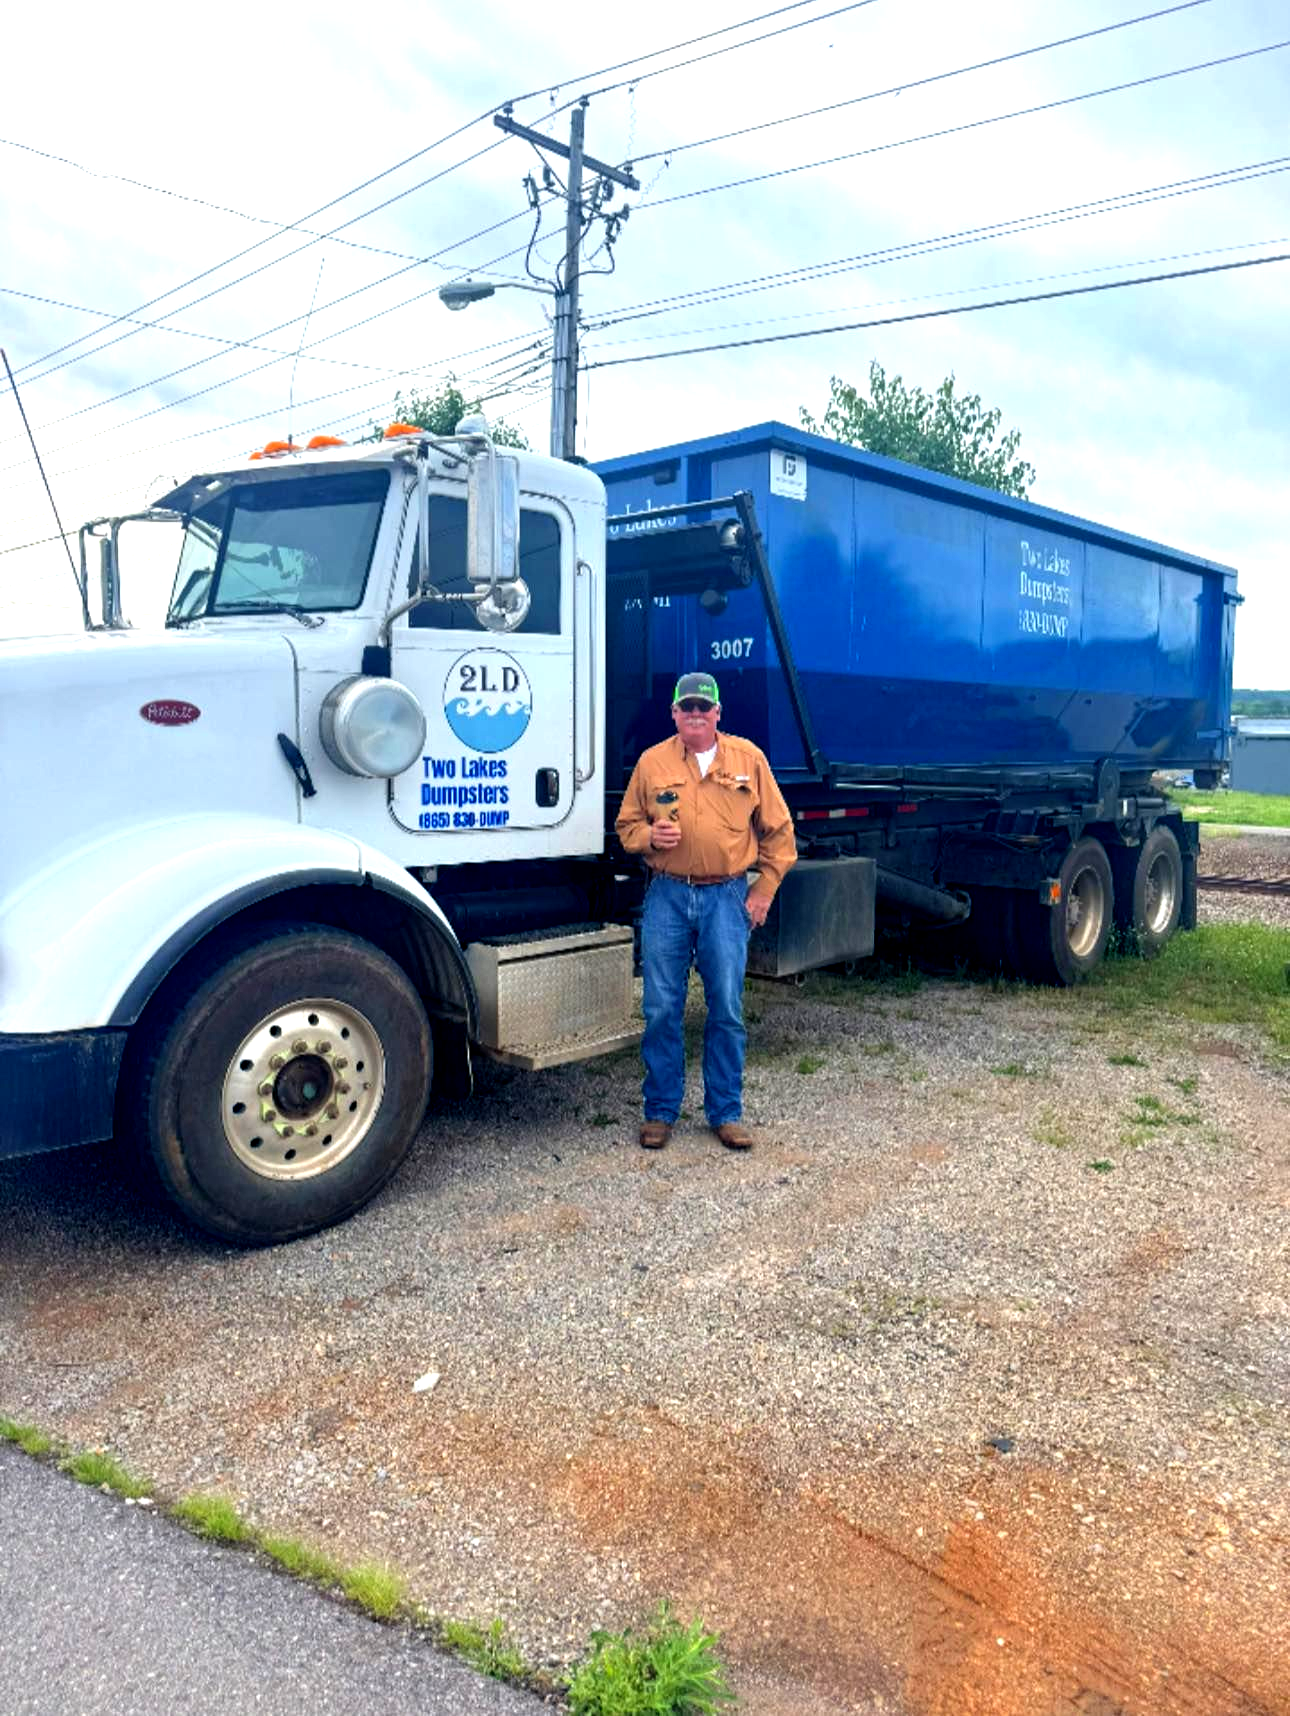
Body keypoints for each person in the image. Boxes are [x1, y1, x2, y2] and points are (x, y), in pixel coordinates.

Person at [615, 672, 797, 1151]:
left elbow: (780, 834)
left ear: (718, 713)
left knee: (727, 1008)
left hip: (727, 898)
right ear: (673, 713)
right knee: (660, 1007)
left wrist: (763, 891)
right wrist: (649, 837)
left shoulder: (748, 759)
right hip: (668, 897)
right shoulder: (652, 762)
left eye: (704, 707)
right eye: (686, 707)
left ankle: (726, 1112)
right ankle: (659, 1111)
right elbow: (626, 823)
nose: (695, 714)